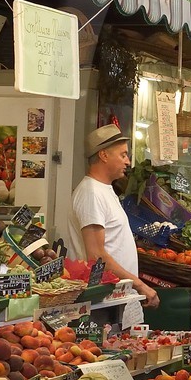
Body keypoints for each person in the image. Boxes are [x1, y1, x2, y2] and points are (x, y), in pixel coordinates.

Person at [65, 126, 158, 326]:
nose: (127, 161)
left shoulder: (104, 190)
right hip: (102, 305)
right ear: (104, 155)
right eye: (123, 155)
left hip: (115, 299)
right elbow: (97, 255)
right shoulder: (91, 193)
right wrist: (140, 285)